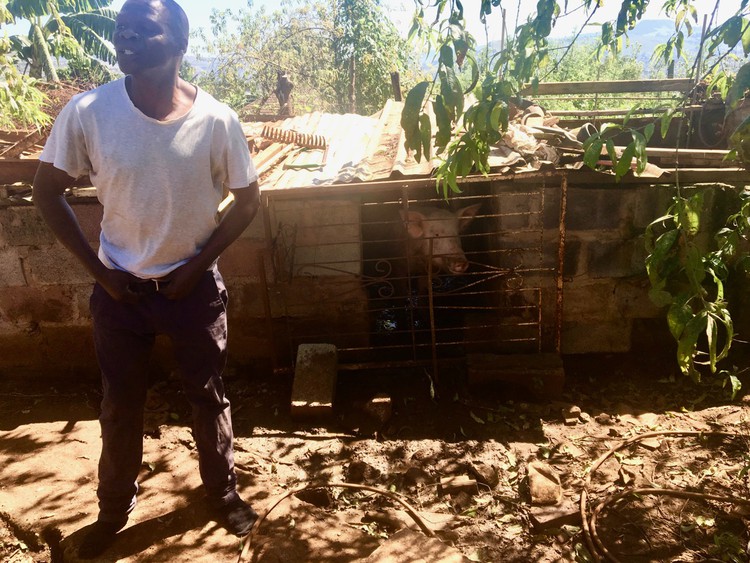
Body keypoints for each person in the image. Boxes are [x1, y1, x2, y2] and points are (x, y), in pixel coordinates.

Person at [32, 0, 260, 558]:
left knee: (208, 398)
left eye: (144, 30)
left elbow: (249, 201)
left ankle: (223, 493)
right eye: (121, 30)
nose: (126, 37)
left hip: (194, 293)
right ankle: (114, 509)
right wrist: (102, 276)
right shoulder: (88, 112)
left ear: (178, 42)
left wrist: (193, 267)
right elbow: (46, 191)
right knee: (119, 403)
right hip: (120, 292)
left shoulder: (216, 120)